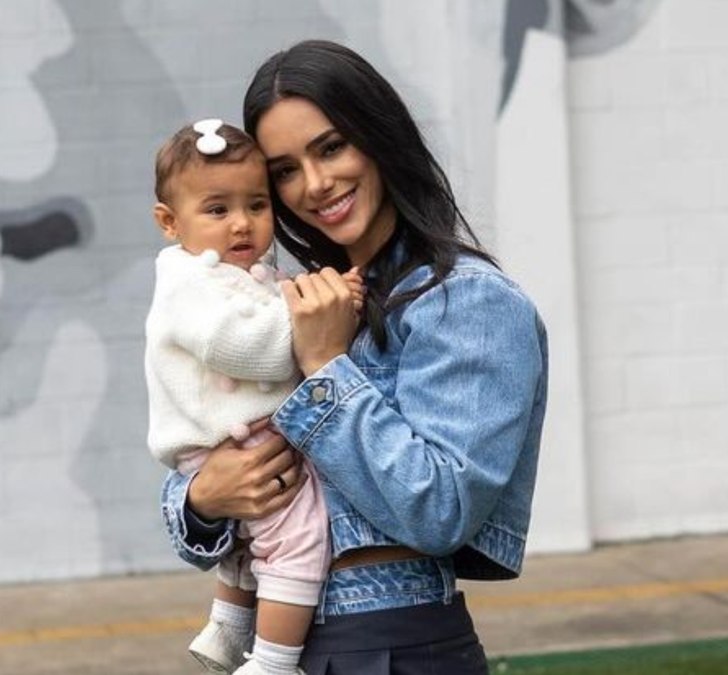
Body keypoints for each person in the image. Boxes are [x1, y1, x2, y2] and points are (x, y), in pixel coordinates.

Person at [161, 40, 548, 674]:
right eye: (284, 170)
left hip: (391, 643)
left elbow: (442, 510)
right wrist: (204, 497)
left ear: (379, 136)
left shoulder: (470, 303)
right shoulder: (297, 298)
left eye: (331, 147)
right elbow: (203, 475)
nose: (315, 185)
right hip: (275, 643)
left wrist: (327, 368)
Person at [145, 118, 363, 675]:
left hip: (235, 438)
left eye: (257, 205)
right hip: (238, 440)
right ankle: (271, 663)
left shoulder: (231, 273)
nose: (242, 224)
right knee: (299, 537)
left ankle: (227, 628)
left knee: (252, 545)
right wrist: (318, 316)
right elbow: (250, 348)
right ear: (170, 222)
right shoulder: (189, 283)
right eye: (217, 210)